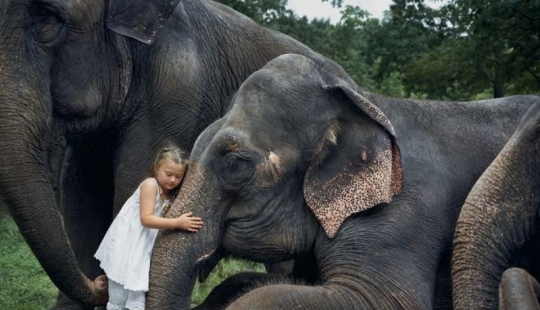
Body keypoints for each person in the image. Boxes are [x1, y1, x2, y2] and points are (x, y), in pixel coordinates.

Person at [94, 145, 203, 310]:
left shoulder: (170, 194)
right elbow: (146, 219)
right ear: (157, 168)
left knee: (136, 296)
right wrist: (178, 223)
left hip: (141, 250)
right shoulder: (150, 185)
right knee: (119, 297)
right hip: (127, 245)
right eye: (169, 174)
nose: (173, 180)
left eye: (178, 176)